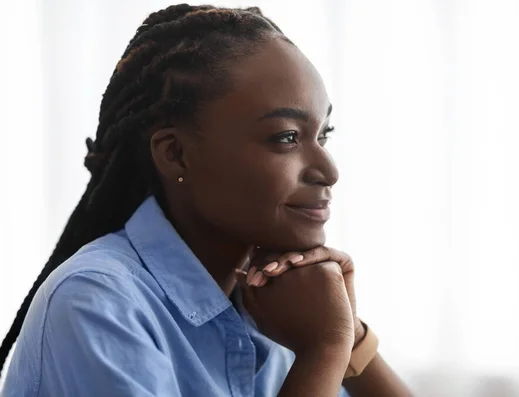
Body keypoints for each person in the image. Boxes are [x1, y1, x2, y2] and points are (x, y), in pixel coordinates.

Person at [0, 4, 412, 396]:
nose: (329, 170)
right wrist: (325, 349)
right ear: (176, 154)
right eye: (286, 137)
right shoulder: (97, 303)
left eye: (323, 135)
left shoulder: (281, 302)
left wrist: (350, 335)